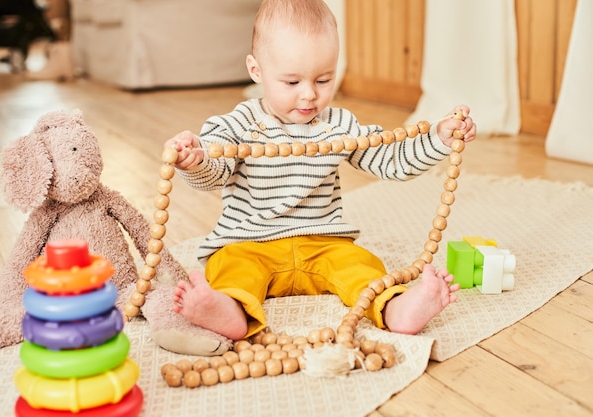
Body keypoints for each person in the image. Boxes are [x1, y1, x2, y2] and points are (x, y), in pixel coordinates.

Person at [165, 0, 477, 342]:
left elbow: (390, 158)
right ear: (256, 71)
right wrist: (195, 160)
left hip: (323, 243)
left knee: (362, 266)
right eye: (291, 82)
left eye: (324, 79)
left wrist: (437, 138)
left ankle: (396, 307)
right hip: (249, 242)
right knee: (229, 267)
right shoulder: (238, 124)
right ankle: (230, 311)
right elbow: (216, 169)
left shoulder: (339, 126)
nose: (309, 94)